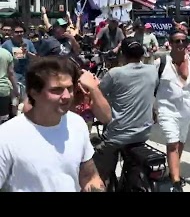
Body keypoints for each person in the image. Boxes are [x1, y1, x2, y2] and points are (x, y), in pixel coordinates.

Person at [0, 56, 106, 192]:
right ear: (33, 93)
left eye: (69, 88)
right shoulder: (6, 136)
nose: (67, 96)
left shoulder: (77, 124)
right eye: (57, 90)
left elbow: (89, 175)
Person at [92, 38, 157, 189]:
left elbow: (98, 95)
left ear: (123, 54)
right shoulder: (152, 71)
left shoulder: (114, 73)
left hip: (117, 135)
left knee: (98, 176)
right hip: (142, 133)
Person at [155, 29, 190, 192]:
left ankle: (174, 171)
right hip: (166, 110)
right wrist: (151, 106)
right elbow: (151, 85)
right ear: (170, 43)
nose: (180, 44)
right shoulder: (161, 63)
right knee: (172, 143)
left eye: (183, 41)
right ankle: (175, 182)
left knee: (180, 143)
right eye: (176, 41)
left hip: (187, 110)